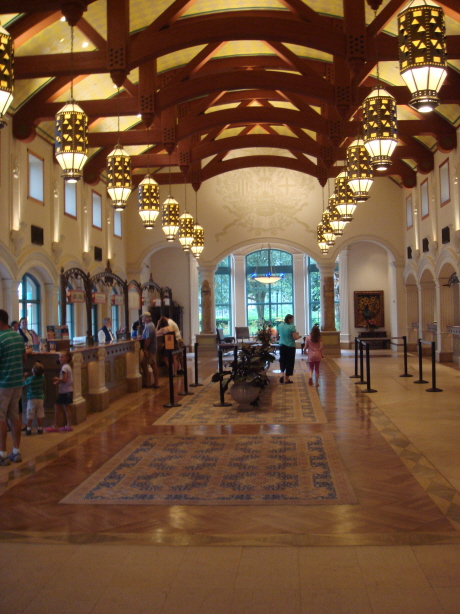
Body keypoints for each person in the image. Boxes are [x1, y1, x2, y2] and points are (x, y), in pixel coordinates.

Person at [0, 309, 26, 465]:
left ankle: (2, 453)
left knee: (1, 418)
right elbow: (24, 357)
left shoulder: (0, 339)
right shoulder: (17, 337)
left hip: (3, 383)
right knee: (14, 416)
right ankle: (16, 451)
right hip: (17, 382)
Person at [46, 351, 73, 432]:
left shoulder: (64, 367)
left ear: (67, 358)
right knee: (66, 408)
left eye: (62, 357)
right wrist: (58, 381)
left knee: (58, 407)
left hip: (64, 391)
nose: (60, 358)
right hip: (68, 390)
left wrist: (57, 379)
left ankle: (56, 425)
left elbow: (65, 379)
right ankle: (68, 425)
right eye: (59, 357)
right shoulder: (68, 366)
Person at [278, 314, 300, 384]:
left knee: (282, 360)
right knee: (289, 362)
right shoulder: (291, 327)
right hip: (290, 347)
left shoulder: (280, 325)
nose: (292, 321)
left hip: (282, 345)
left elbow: (276, 335)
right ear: (289, 319)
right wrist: (299, 336)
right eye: (292, 319)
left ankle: (281, 374)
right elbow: (295, 338)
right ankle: (287, 379)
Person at [24, 362, 45, 435]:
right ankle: (40, 428)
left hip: (32, 399)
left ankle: (29, 428)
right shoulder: (42, 378)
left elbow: (24, 383)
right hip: (40, 398)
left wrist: (25, 376)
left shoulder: (30, 379)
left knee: (30, 414)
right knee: (40, 414)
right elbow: (42, 374)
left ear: (33, 371)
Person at [141, 311, 159, 388]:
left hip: (150, 349)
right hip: (152, 348)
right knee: (152, 364)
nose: (142, 319)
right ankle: (155, 382)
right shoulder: (150, 325)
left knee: (144, 363)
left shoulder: (149, 326)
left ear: (145, 318)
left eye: (142, 317)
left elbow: (148, 339)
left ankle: (148, 382)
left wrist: (145, 349)